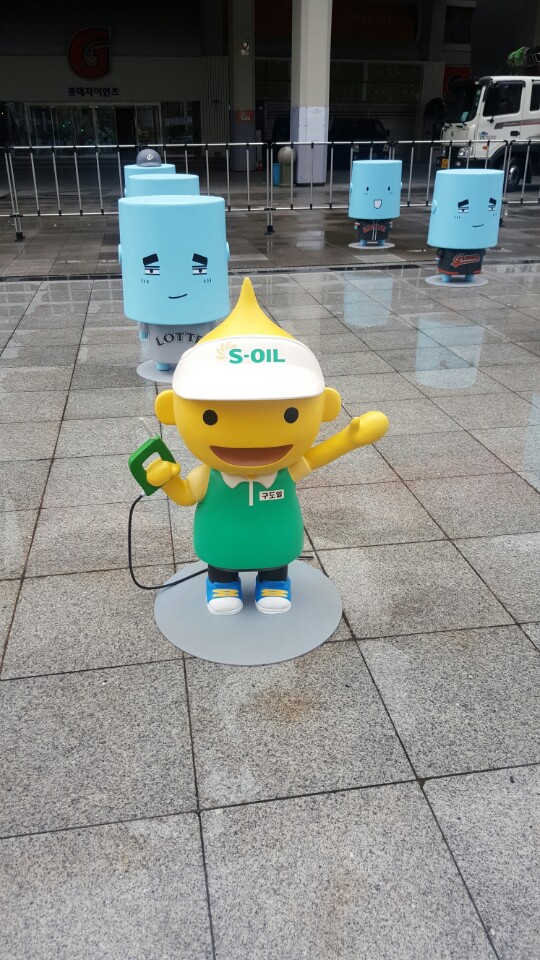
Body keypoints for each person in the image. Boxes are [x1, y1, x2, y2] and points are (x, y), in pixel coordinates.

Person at [142, 278, 389, 615]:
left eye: (290, 414)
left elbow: (317, 456)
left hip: (275, 540)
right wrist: (167, 479)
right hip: (222, 542)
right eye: (211, 416)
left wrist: (352, 437)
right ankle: (223, 583)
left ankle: (273, 581)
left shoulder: (285, 469)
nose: (250, 435)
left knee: (275, 561)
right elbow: (186, 495)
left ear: (327, 407)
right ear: (170, 410)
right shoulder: (209, 476)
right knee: (223, 564)